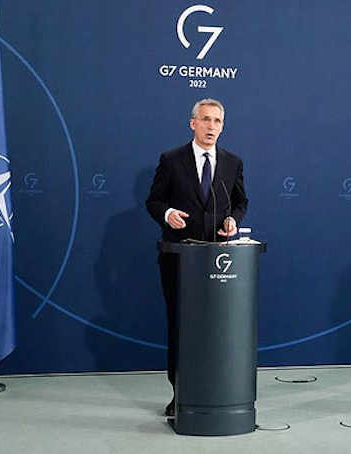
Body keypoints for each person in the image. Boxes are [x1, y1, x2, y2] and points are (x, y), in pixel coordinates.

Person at [145, 98, 248, 417]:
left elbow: (240, 202)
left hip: (218, 259)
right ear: (193, 123)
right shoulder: (171, 160)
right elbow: (154, 201)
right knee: (182, 327)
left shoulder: (233, 162)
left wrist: (233, 221)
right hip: (179, 259)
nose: (212, 127)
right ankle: (181, 393)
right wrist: (168, 213)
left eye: (217, 121)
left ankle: (216, 391)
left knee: (216, 327)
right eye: (206, 120)